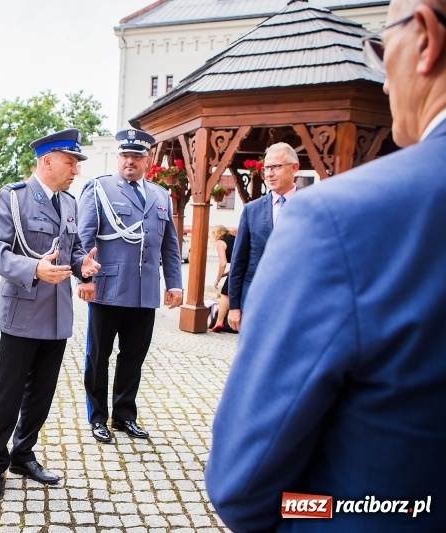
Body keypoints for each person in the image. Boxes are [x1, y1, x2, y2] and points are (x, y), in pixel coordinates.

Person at [206, 0, 446, 530]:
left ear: (425, 37)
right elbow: (242, 259)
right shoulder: (256, 212)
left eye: (383, 51)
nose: (384, 83)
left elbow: (241, 487)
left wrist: (319, 508)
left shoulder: (336, 217)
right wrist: (235, 301)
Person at [0, 128, 100, 502]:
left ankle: (23, 454)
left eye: (77, 164)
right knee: (8, 392)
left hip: (57, 315)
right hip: (21, 311)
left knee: (42, 394)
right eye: (70, 162)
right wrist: (33, 269)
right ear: (47, 161)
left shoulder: (71, 204)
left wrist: (83, 265)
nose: (75, 171)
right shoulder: (12, 198)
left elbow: (73, 251)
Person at [77, 128, 183, 444]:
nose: (129, 162)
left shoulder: (161, 195)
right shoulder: (99, 189)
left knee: (133, 357)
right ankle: (98, 418)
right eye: (125, 155)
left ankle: (124, 415)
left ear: (146, 160)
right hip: (107, 289)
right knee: (98, 357)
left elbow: (170, 246)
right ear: (118, 157)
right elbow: (84, 238)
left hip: (144, 292)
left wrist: (174, 284)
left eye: (136, 156)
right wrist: (85, 279)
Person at [226, 142, 298, 331]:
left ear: (295, 168)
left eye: (276, 167)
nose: (269, 174)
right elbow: (238, 262)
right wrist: (234, 306)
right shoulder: (252, 210)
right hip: (255, 301)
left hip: (295, 303)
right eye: (266, 168)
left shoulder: (310, 206)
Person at [209, 225, 236, 333]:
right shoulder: (235, 238)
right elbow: (237, 262)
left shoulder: (220, 242)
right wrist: (225, 275)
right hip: (246, 269)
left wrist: (218, 279)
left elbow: (223, 263)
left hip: (237, 270)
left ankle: (219, 322)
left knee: (225, 294)